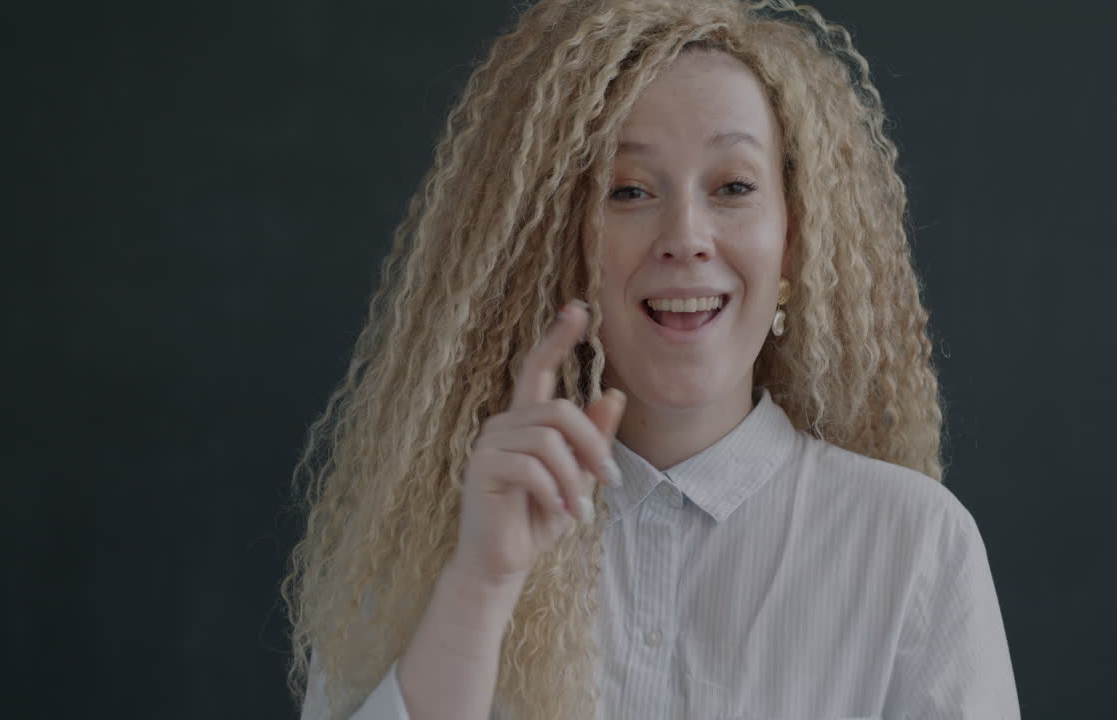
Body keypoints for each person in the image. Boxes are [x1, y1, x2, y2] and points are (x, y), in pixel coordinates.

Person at [282, 0, 1022, 718]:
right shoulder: (434, 545)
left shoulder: (915, 545)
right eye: (628, 190)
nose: (686, 235)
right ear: (559, 247)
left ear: (794, 243)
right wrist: (479, 585)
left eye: (733, 187)